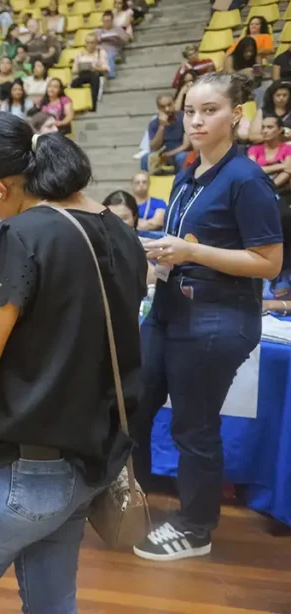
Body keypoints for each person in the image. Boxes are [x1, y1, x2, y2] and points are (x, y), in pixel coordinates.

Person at [0, 110, 145, 613]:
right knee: (53, 603)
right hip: (88, 462)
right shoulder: (119, 231)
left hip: (11, 470)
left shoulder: (17, 237)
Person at [134, 72, 283, 562]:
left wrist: (188, 253)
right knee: (135, 407)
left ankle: (196, 528)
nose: (196, 120)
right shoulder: (186, 173)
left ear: (237, 114)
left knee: (193, 427)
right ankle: (125, 500)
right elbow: (187, 247)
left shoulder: (247, 179)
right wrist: (162, 256)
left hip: (217, 321)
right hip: (171, 311)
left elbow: (269, 263)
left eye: (210, 110)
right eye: (190, 111)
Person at [142, 93, 191, 172]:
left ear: (174, 104)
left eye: (169, 105)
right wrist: (161, 126)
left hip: (180, 153)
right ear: (158, 108)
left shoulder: (184, 118)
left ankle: (182, 182)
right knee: (145, 158)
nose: (167, 109)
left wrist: (169, 154)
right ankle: (145, 182)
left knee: (181, 157)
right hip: (163, 156)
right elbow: (153, 148)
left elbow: (186, 146)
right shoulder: (154, 123)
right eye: (162, 107)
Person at [247, 114, 291, 190]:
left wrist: (269, 188)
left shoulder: (288, 148)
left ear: (280, 129)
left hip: (279, 190)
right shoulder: (254, 149)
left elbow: (288, 170)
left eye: (270, 127)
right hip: (256, 187)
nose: (265, 131)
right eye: (263, 127)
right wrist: (282, 166)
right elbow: (252, 171)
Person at [70, 32, 110, 112]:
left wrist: (95, 68)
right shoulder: (80, 54)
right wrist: (80, 68)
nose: (90, 45)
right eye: (88, 42)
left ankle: (93, 106)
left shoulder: (101, 53)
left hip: (95, 74)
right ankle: (81, 103)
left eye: (92, 43)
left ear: (96, 43)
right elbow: (73, 70)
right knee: (74, 83)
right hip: (82, 75)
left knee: (94, 78)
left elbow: (106, 69)